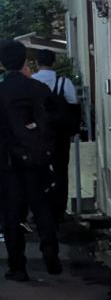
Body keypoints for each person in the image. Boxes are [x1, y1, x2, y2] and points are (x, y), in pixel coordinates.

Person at [0, 41, 61, 281]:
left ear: (2, 64)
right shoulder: (38, 89)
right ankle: (51, 253)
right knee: (41, 207)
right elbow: (54, 121)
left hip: (8, 162)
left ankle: (18, 267)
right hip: (37, 160)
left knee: (11, 215)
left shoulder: (2, 91)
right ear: (25, 61)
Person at [32, 48, 80, 224]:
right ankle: (58, 211)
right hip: (60, 135)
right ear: (54, 63)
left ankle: (39, 211)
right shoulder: (64, 83)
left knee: (37, 173)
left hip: (37, 137)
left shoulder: (31, 82)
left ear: (37, 63)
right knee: (61, 172)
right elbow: (74, 107)